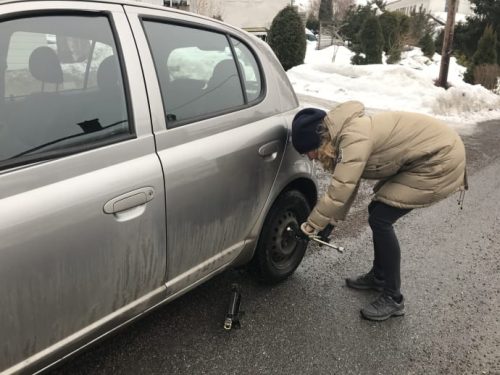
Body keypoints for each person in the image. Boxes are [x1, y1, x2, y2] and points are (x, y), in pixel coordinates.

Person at [291, 101, 468, 321]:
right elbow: (349, 184)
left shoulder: (352, 138)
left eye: (308, 150)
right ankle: (380, 276)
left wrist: (309, 226)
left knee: (381, 220)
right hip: (429, 154)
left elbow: (341, 188)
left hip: (440, 160)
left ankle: (393, 298)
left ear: (319, 141)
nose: (310, 157)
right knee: (378, 210)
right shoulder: (343, 133)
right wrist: (329, 223)